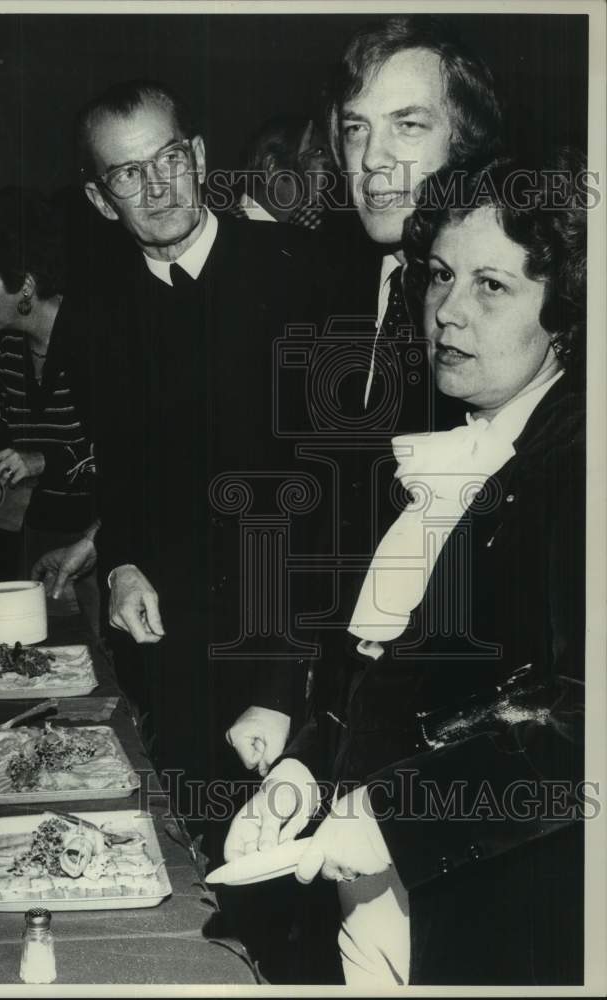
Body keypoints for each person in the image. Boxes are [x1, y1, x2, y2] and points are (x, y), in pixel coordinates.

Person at [224, 151, 587, 986]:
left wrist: (395, 813)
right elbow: (392, 664)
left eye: (492, 286)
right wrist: (304, 772)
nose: (448, 313)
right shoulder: (455, 443)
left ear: (564, 311)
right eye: (439, 277)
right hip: (382, 887)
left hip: (504, 904)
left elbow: (581, 723)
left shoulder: (576, 465)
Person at [226, 12, 503, 778]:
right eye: (355, 130)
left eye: (408, 125)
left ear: (466, 145)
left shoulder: (498, 326)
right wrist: (281, 690)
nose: (374, 160)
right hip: (329, 716)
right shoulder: (339, 284)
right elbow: (307, 501)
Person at [32, 79, 325, 795]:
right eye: (129, 173)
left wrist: (282, 678)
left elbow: (342, 494)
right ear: (102, 198)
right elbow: (123, 467)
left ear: (197, 155)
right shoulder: (93, 318)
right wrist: (124, 559)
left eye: (167, 158)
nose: (158, 187)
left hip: (302, 631)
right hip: (173, 637)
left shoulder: (309, 274)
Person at [0, 188, 99, 631]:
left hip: (98, 537)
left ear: (26, 285)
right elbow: (27, 441)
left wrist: (42, 460)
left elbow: (131, 454)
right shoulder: (12, 349)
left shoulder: (93, 342)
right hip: (39, 531)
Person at [229, 114, 329, 229]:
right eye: (317, 154)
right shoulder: (229, 231)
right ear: (272, 168)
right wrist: (312, 201)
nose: (325, 175)